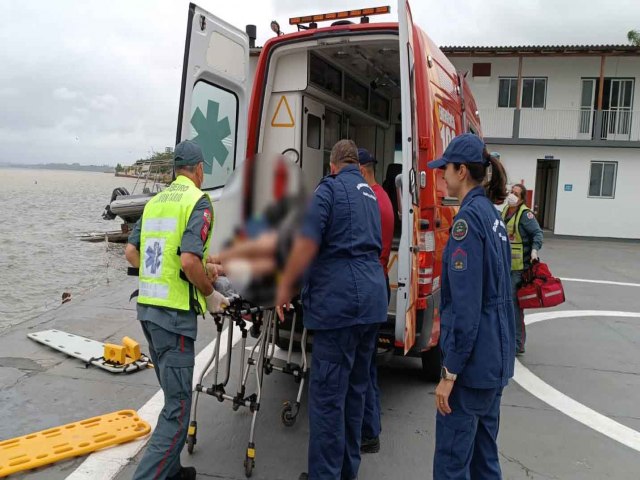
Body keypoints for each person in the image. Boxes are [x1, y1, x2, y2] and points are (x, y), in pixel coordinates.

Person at [275, 139, 388, 480]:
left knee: (327, 401)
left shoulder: (330, 190)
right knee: (355, 396)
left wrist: (284, 288)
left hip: (339, 306)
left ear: (332, 165)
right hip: (371, 304)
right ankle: (346, 473)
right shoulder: (372, 195)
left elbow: (306, 243)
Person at [125, 140, 229, 480]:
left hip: (149, 313)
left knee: (173, 396)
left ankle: (172, 472)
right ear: (199, 170)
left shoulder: (155, 201)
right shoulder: (198, 201)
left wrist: (194, 266)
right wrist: (210, 292)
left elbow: (132, 253)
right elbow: (187, 259)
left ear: (174, 170)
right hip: (173, 320)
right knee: (178, 409)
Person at [427, 133, 515, 480]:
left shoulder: (466, 223)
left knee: (452, 465)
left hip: (472, 368)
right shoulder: (493, 218)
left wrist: (450, 372)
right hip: (494, 363)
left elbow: (465, 309)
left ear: (462, 171)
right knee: (484, 461)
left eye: (445, 168)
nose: (441, 175)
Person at [357, 147, 395, 455]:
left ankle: (369, 432)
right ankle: (370, 429)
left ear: (362, 169)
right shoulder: (381, 196)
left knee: (364, 368)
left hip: (370, 284)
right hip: (378, 283)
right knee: (367, 366)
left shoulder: (372, 202)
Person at [502, 183, 543, 355]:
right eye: (511, 192)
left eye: (516, 194)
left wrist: (534, 250)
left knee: (514, 305)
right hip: (504, 265)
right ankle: (507, 340)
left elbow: (537, 234)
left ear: (522, 199)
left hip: (519, 268)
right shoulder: (505, 211)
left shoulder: (525, 214)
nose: (512, 195)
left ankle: (518, 344)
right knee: (504, 304)